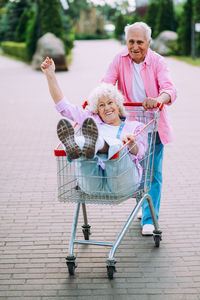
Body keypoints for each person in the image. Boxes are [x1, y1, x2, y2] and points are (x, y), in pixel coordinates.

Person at [102, 22, 177, 235]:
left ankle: (149, 218)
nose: (135, 47)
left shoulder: (157, 61)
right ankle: (144, 203)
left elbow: (170, 89)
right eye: (131, 42)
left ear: (149, 42)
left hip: (152, 126)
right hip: (129, 130)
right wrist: (99, 102)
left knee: (152, 173)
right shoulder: (119, 59)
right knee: (135, 171)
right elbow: (106, 84)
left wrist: (157, 99)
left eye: (140, 42)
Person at [41, 57, 148, 198]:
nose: (107, 108)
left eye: (110, 102)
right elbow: (64, 107)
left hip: (122, 183)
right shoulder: (92, 121)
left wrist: (131, 143)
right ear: (97, 110)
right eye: (101, 105)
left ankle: (95, 143)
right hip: (95, 184)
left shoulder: (134, 127)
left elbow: (140, 152)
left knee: (116, 146)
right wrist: (50, 75)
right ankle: (78, 144)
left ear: (118, 105)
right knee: (84, 154)